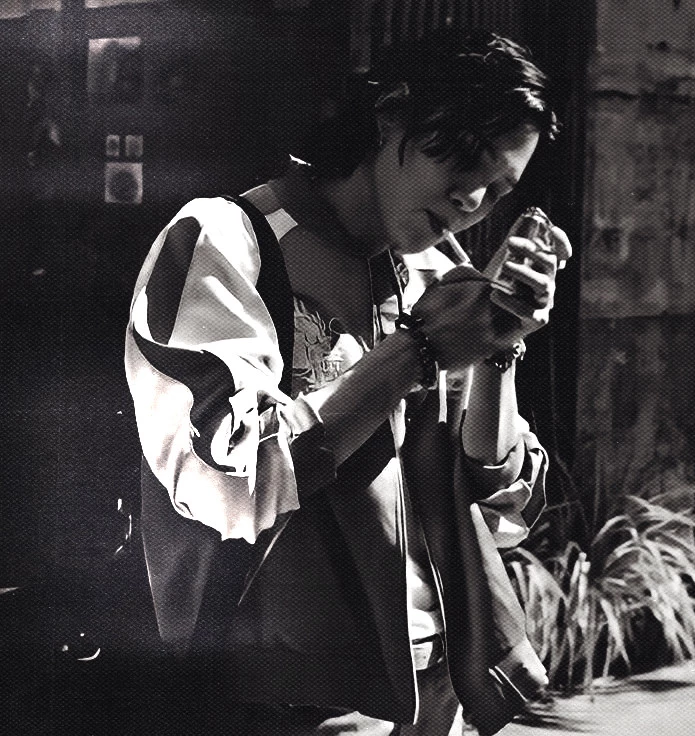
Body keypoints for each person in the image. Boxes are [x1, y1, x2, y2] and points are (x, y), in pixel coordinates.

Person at [125, 28, 572, 736]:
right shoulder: (228, 240)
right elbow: (229, 482)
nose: (472, 199)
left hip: (433, 688)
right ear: (391, 114)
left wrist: (499, 346)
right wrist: (416, 352)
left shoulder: (435, 274)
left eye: (500, 189)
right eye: (461, 158)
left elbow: (500, 505)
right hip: (288, 693)